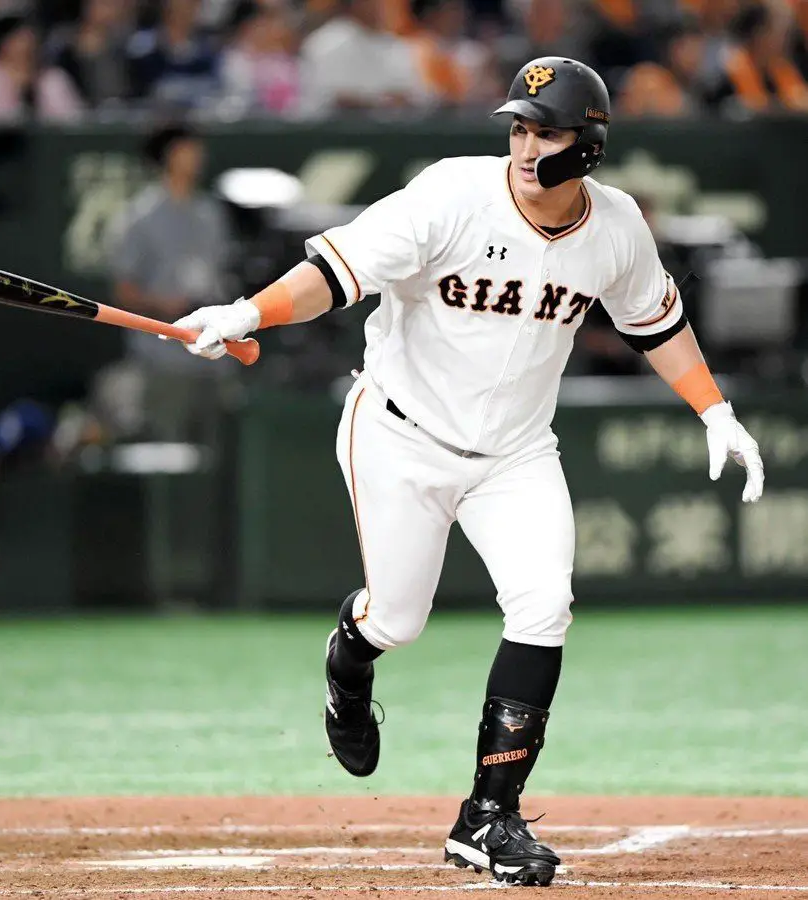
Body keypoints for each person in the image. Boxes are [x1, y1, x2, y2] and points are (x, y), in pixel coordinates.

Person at [169, 57, 765, 886]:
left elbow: (655, 322)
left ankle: (487, 815)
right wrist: (248, 312)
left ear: (588, 145)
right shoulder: (452, 194)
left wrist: (714, 410)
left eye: (545, 131)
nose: (525, 146)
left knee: (544, 604)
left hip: (516, 453)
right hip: (400, 434)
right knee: (397, 621)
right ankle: (350, 658)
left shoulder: (617, 226)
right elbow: (335, 274)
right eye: (519, 128)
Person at [107, 122, 236, 442]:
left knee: (218, 447)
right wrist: (165, 304)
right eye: (186, 149)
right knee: (167, 447)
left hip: (214, 354)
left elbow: (221, 273)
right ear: (168, 155)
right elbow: (123, 291)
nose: (196, 156)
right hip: (163, 358)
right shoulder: (140, 217)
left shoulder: (210, 214)